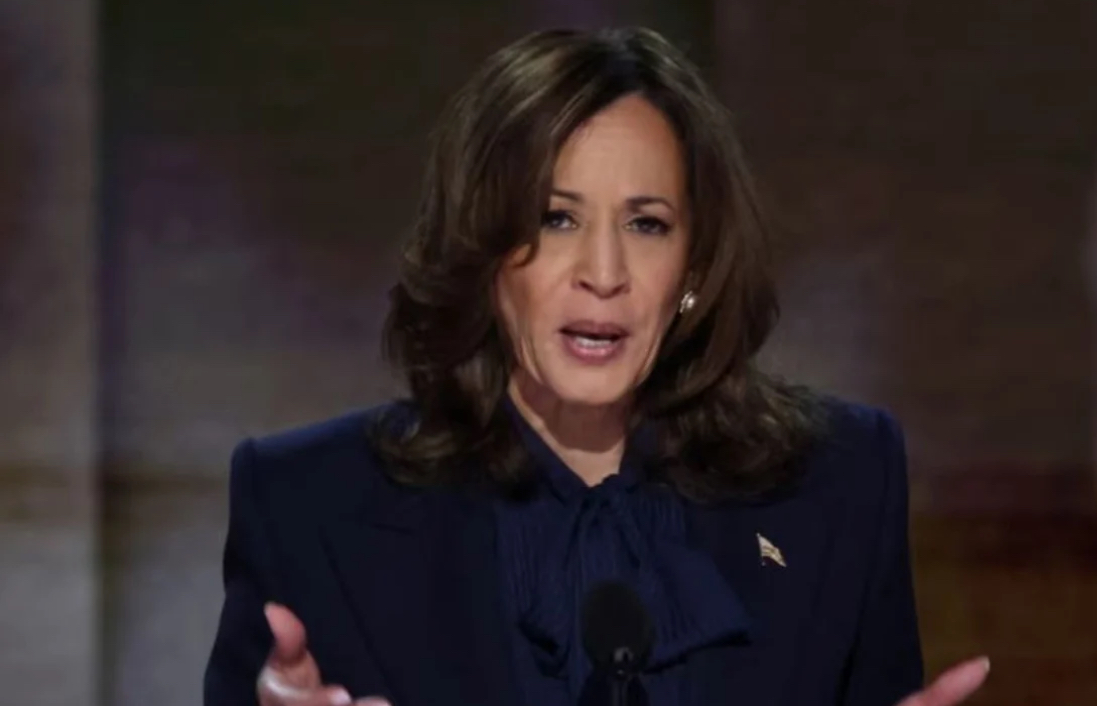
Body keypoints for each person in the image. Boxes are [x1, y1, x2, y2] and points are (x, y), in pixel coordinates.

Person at [203, 26, 989, 706]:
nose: (604, 273)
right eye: (556, 218)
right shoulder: (307, 505)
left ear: (693, 266)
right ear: (482, 249)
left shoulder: (841, 482)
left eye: (647, 225)